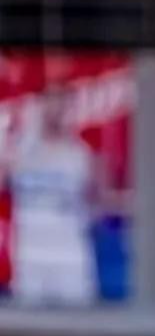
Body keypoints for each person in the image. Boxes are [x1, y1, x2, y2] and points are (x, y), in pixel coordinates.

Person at [6, 86, 100, 305]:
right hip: (30, 258)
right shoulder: (18, 153)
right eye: (50, 104)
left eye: (62, 105)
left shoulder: (81, 155)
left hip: (70, 258)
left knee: (77, 322)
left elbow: (97, 203)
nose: (55, 111)